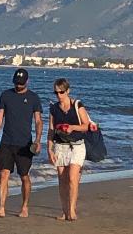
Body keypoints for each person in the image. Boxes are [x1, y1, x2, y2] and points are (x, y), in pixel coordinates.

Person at [0, 68, 43, 218]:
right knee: (4, 174)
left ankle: (24, 207)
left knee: (24, 176)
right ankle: (1, 208)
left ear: (27, 82)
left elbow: (38, 121)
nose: (19, 86)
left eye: (21, 83)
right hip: (6, 142)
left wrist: (37, 140)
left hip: (25, 145)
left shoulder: (34, 98)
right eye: (17, 83)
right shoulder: (6, 95)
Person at [47, 78, 90, 221]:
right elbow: (51, 129)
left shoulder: (77, 105)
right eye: (56, 92)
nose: (59, 95)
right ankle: (64, 211)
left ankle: (72, 210)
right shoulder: (53, 108)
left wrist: (72, 127)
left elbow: (86, 126)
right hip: (60, 146)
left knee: (72, 178)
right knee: (62, 180)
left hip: (77, 146)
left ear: (68, 91)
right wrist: (49, 149)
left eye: (61, 92)